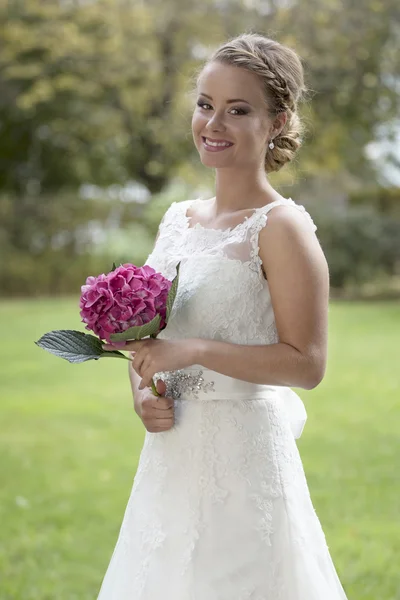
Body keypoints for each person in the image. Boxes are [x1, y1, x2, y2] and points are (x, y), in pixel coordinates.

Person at [97, 32, 349, 599]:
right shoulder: (176, 220)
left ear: (278, 121)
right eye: (205, 105)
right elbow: (150, 335)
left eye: (238, 110)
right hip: (171, 460)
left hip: (244, 465)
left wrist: (194, 352)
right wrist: (140, 392)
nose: (213, 124)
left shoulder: (282, 228)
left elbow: (307, 364)